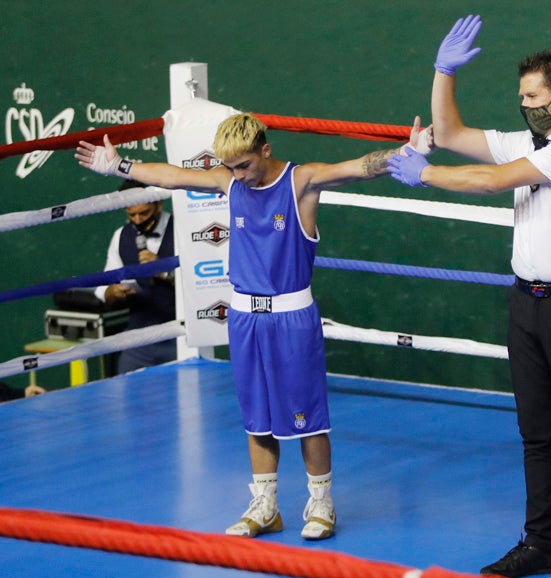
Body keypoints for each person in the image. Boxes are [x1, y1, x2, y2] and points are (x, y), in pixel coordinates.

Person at [76, 113, 431, 541]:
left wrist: (405, 154)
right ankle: (266, 506)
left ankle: (321, 502)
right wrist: (121, 166)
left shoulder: (302, 181)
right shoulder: (230, 181)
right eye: (230, 167)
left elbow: (357, 167)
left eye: (243, 164)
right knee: (256, 418)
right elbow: (173, 176)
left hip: (291, 317)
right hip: (244, 317)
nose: (237, 175)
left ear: (265, 150)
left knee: (307, 417)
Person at [388, 14, 551, 578]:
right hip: (527, 302)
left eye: (532, 95)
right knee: (536, 431)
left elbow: (490, 181)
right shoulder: (528, 140)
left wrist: (422, 175)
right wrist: (442, 71)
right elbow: (449, 134)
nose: (524, 104)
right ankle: (540, 543)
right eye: (520, 95)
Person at [95, 179, 177, 374]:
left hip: (179, 335)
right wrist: (112, 292)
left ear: (159, 204)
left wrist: (165, 271)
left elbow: (199, 281)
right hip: (138, 338)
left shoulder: (183, 230)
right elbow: (103, 286)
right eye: (131, 214)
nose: (138, 220)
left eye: (144, 213)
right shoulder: (120, 236)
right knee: (127, 397)